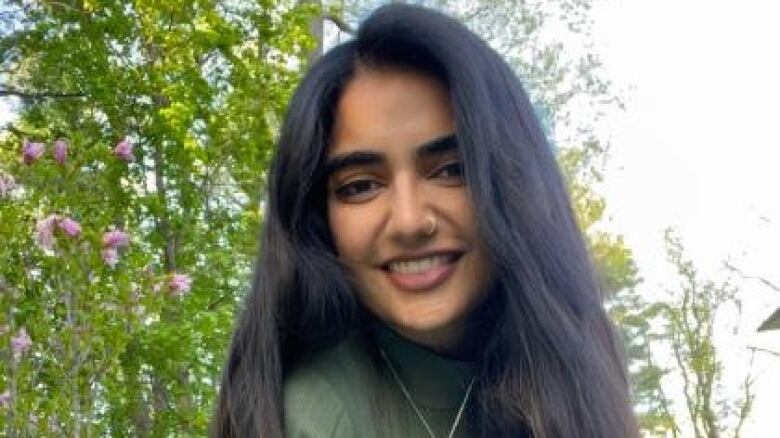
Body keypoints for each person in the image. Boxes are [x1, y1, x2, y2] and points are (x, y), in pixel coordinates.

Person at [213, 4, 639, 438]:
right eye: (360, 186)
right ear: (319, 220)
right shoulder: (315, 415)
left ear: (515, 184)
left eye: (451, 169)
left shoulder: (579, 368)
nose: (409, 221)